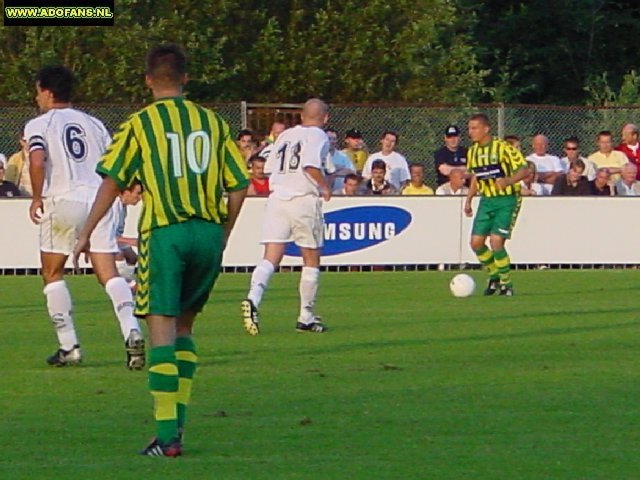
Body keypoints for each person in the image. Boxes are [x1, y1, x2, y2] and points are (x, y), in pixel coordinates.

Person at [72, 44, 249, 457]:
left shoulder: (139, 124)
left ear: (148, 79)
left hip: (165, 232)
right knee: (186, 328)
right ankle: (176, 428)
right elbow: (238, 184)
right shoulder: (213, 122)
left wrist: (86, 231)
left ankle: (167, 437)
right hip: (207, 232)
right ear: (185, 78)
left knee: (161, 332)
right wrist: (223, 231)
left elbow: (112, 181)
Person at [25, 65, 145, 370]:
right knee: (109, 273)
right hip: (101, 199)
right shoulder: (95, 124)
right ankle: (131, 329)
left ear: (48, 92)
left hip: (64, 199)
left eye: (38, 91)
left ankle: (69, 346)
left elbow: (38, 160)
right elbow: (114, 165)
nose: (37, 97)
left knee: (53, 273)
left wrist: (37, 196)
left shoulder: (39, 124)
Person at [241, 98, 332, 336]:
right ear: (325, 118)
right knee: (311, 260)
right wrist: (325, 187)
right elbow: (310, 166)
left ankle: (253, 297)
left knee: (271, 257)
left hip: (277, 199)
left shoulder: (286, 135)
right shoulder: (318, 136)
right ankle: (306, 316)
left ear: (302, 116)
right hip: (302, 199)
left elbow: (268, 166)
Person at [464, 113, 529, 297]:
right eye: (470, 128)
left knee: (496, 241)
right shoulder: (473, 151)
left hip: (507, 199)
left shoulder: (503, 148)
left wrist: (508, 181)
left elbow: (525, 169)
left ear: (486, 129)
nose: (471, 132)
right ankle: (494, 276)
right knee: (476, 243)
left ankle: (506, 284)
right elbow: (477, 176)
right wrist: (469, 199)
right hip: (487, 200)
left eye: (475, 128)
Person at [5, 129, 33, 196]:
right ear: (21, 141)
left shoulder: (45, 157)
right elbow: (9, 180)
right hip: (22, 196)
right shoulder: (15, 159)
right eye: (25, 140)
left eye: (30, 140)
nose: (28, 143)